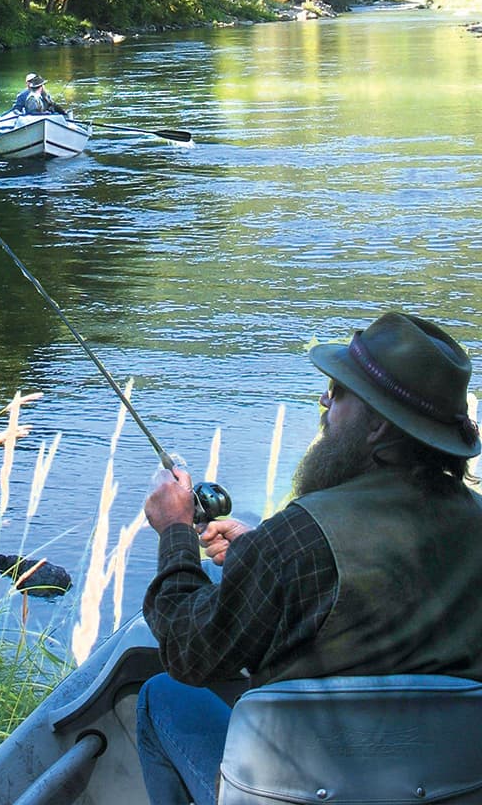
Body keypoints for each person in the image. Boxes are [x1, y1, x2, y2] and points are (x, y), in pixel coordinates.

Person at [137, 310, 482, 805]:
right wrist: (257, 552)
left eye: (339, 392)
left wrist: (173, 531)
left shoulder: (297, 539)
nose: (325, 400)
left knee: (160, 695)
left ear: (380, 428)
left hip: (294, 793)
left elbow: (189, 653)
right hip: (445, 790)